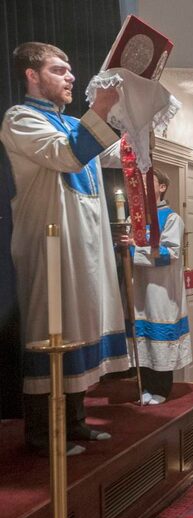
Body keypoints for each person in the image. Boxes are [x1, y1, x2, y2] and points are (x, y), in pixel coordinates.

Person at [1, 42, 127, 455]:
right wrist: (102, 111)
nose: (71, 77)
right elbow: (69, 154)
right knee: (51, 328)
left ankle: (75, 422)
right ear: (31, 76)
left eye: (70, 70)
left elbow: (109, 155)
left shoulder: (72, 121)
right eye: (58, 70)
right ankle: (41, 434)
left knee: (78, 326)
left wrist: (137, 119)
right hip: (49, 239)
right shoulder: (20, 119)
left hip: (84, 240)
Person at [129, 168, 192, 405]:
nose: (143, 187)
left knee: (160, 337)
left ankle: (161, 388)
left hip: (161, 289)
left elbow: (170, 253)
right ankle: (143, 386)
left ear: (162, 187)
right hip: (138, 288)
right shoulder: (132, 218)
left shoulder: (171, 219)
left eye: (149, 182)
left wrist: (133, 249)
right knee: (142, 338)